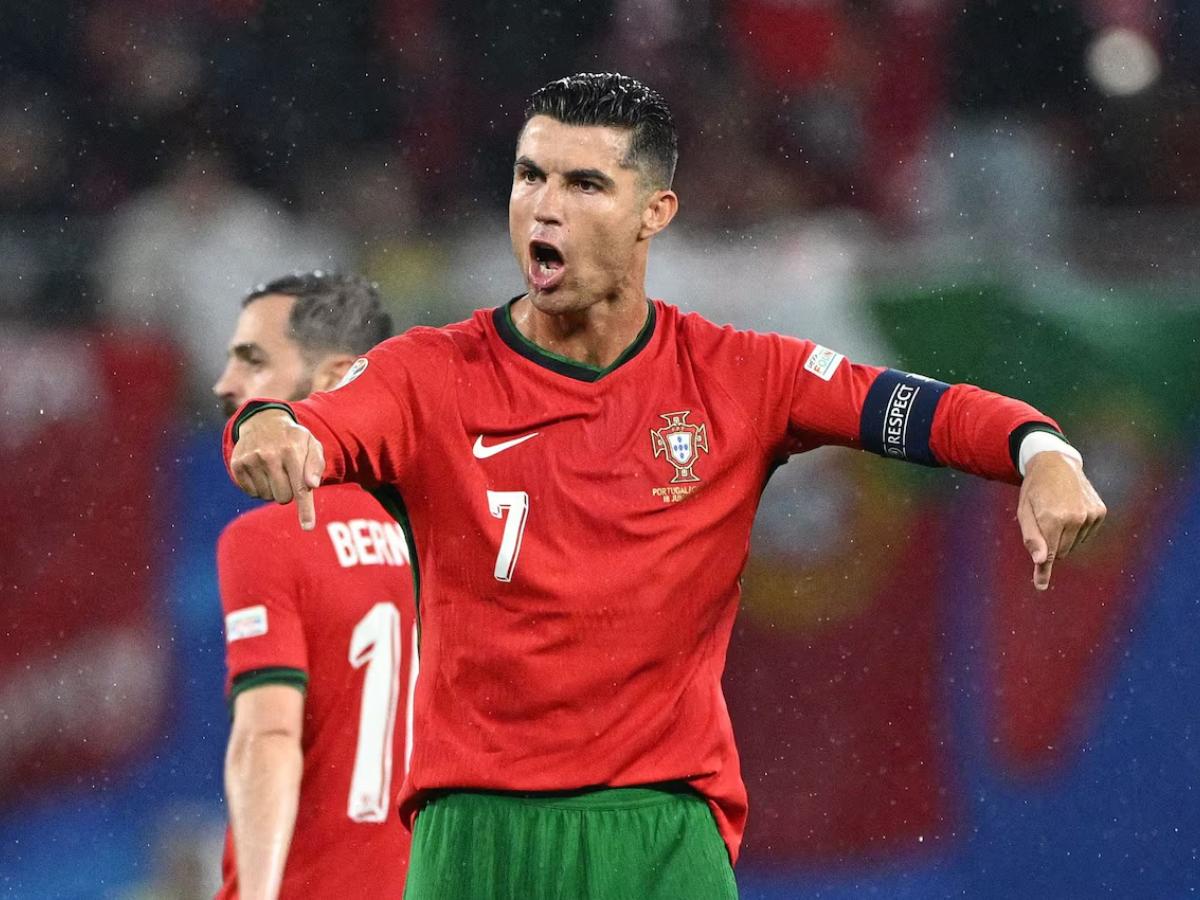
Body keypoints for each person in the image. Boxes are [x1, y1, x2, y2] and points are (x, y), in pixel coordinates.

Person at [221, 75, 1106, 899]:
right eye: (530, 176)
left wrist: (1041, 452)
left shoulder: (740, 375)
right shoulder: (427, 373)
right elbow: (306, 424)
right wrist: (266, 426)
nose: (545, 207)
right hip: (475, 834)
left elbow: (923, 410)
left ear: (655, 212)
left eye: (584, 184)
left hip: (661, 831)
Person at [212, 272, 418, 900]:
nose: (224, 384)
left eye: (253, 360)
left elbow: (268, 736)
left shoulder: (267, 539)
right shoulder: (442, 537)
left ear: (335, 380)